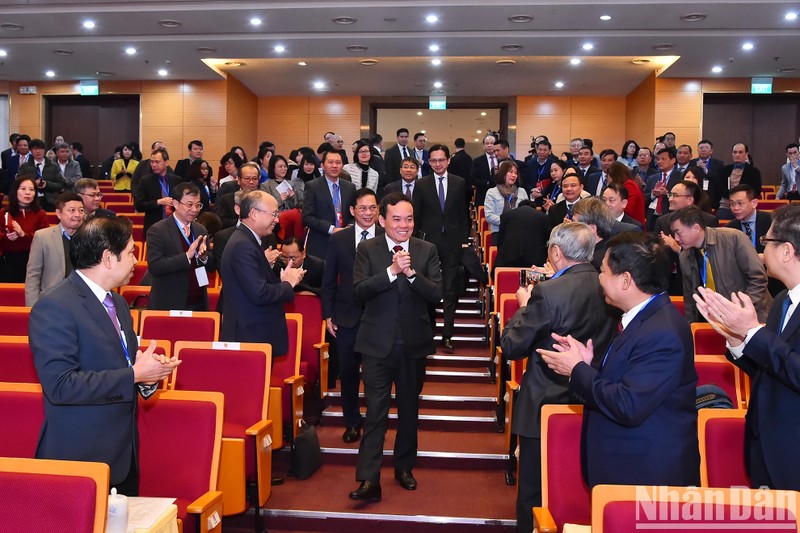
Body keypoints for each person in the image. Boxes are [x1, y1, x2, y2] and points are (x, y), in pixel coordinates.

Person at [30, 216, 180, 495]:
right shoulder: (55, 306)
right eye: (131, 252)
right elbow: (61, 386)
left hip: (123, 452)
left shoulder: (118, 302)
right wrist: (134, 374)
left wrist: (148, 377)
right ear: (108, 258)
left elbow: (126, 364)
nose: (136, 260)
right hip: (80, 455)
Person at [539, 231, 700, 490]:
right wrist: (588, 364)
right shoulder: (642, 319)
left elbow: (628, 404)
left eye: (602, 271)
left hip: (647, 476)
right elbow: (625, 383)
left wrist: (577, 369)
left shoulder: (662, 333)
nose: (598, 279)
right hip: (628, 469)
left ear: (625, 280)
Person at [500, 222, 616, 531]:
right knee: (582, 489)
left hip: (544, 403)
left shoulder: (548, 292)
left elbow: (512, 345)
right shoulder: (609, 286)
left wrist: (524, 306)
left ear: (555, 252)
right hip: (594, 399)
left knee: (535, 492)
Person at [693, 204, 800, 491]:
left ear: (787, 251)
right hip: (766, 445)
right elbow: (773, 369)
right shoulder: (782, 302)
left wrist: (753, 332)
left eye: (767, 243)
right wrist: (740, 341)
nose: (762, 253)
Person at [348, 193, 443, 502]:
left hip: (413, 345)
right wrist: (391, 272)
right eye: (397, 219)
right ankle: (368, 479)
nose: (404, 225)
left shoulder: (426, 250)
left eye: (409, 219)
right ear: (382, 220)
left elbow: (437, 294)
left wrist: (411, 273)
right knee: (375, 412)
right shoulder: (368, 249)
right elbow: (360, 290)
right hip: (376, 345)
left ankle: (404, 467)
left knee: (409, 412)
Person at [322, 188, 383, 442]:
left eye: (372, 208)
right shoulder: (339, 240)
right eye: (363, 209)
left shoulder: (387, 236)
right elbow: (328, 281)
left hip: (379, 317)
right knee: (348, 374)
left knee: (376, 376)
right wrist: (327, 314)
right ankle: (352, 421)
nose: (368, 213)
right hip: (346, 318)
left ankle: (375, 422)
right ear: (352, 211)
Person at [220, 191, 304, 354]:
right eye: (273, 214)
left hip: (254, 334)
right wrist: (288, 283)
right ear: (253, 213)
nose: (277, 219)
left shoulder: (248, 240)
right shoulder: (243, 245)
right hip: (249, 337)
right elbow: (260, 293)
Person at [671, 206, 771, 323]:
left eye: (678, 233)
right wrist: (691, 326)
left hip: (752, 315)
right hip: (716, 319)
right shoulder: (685, 257)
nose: (675, 238)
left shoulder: (733, 238)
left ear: (696, 228)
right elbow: (690, 299)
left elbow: (758, 278)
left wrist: (740, 308)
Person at [413, 144, 469, 353]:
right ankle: (429, 334)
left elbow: (463, 215)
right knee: (427, 289)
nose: (437, 164)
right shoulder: (421, 184)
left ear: (448, 160)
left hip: (452, 244)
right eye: (433, 160)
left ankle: (447, 335)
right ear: (429, 162)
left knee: (450, 290)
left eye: (441, 160)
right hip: (427, 244)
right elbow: (416, 217)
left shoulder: (459, 182)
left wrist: (464, 240)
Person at [145, 182, 214, 311]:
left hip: (199, 302)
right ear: (176, 204)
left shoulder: (201, 229)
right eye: (189, 205)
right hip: (170, 302)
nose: (194, 209)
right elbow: (155, 266)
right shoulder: (158, 230)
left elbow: (211, 265)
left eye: (198, 205)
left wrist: (204, 257)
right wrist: (186, 257)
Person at [25, 192, 85, 306]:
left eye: (81, 210)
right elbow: (33, 274)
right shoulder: (42, 237)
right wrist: (32, 307)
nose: (77, 214)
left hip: (83, 302)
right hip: (51, 301)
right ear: (59, 213)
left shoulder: (91, 237)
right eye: (72, 210)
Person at [302, 150, 356, 260]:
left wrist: (350, 226)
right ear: (322, 165)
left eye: (338, 162)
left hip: (345, 241)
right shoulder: (312, 186)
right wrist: (332, 229)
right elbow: (307, 217)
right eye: (330, 162)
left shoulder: (350, 187)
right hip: (321, 241)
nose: (334, 166)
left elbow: (354, 213)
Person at [0, 176, 50, 282]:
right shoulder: (4, 212)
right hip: (8, 260)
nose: (28, 193)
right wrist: (6, 237)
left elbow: (46, 239)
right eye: (23, 189)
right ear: (15, 191)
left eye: (31, 189)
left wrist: (24, 234)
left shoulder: (40, 214)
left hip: (33, 261)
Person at [134, 147, 182, 238]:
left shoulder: (176, 180)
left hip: (174, 227)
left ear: (166, 162)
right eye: (152, 162)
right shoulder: (145, 181)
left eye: (157, 162)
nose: (154, 165)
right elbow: (139, 205)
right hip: (154, 227)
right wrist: (158, 202)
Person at [494, 200, 550, 270]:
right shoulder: (543, 217)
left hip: (507, 259)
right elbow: (547, 240)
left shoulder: (506, 215)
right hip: (535, 261)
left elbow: (500, 240)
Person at [260, 154, 305, 240]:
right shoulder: (266, 185)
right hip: (274, 222)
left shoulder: (291, 183)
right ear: (273, 168)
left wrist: (292, 197)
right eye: (280, 166)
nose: (283, 169)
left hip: (290, 222)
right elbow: (265, 206)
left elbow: (296, 207)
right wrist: (280, 200)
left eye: (285, 166)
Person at [17, 138, 67, 212]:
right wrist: (33, 184)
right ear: (30, 151)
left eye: (40, 149)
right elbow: (19, 183)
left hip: (50, 201)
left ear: (44, 150)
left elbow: (61, 184)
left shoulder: (53, 166)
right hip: (31, 201)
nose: (38, 151)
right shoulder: (24, 167)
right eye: (35, 149)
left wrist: (46, 184)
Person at [484, 159, 528, 241]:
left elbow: (527, 212)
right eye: (511, 172)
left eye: (516, 173)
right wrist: (507, 221)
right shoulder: (492, 192)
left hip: (519, 232)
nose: (514, 175)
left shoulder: (522, 191)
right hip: (499, 232)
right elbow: (489, 216)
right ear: (503, 173)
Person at [607, 162, 645, 226]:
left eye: (608, 175)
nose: (607, 178)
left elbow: (628, 209)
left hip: (632, 225)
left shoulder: (630, 185)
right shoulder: (627, 184)